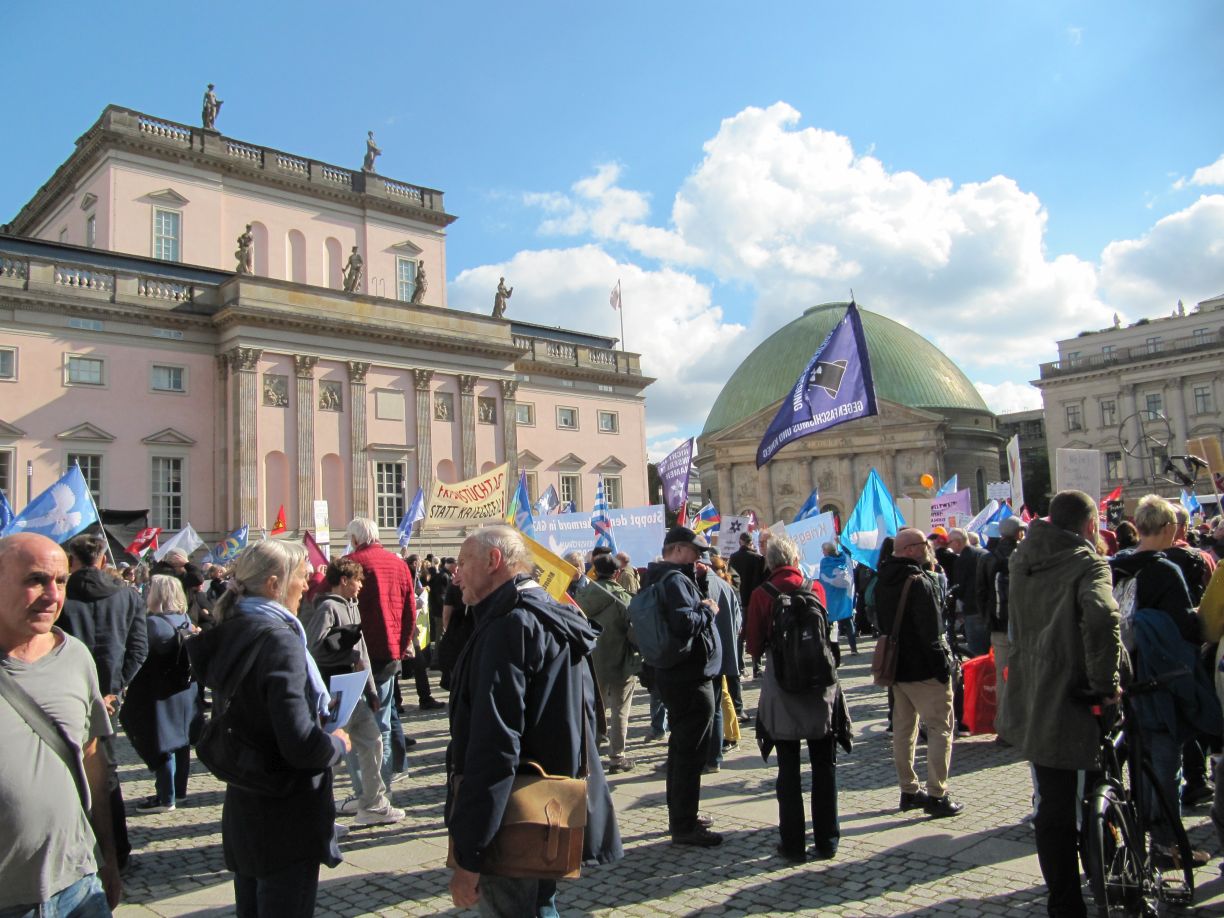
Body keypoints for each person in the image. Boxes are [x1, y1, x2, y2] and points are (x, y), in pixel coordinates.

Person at [446, 526, 621, 915]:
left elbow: (495, 743)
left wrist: (470, 851)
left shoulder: (511, 624)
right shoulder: (547, 610)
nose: (455, 574)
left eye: (462, 562)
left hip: (513, 817)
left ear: (493, 562)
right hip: (546, 809)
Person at [187, 539, 351, 917]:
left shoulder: (237, 625)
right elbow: (300, 746)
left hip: (246, 801)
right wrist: (336, 744)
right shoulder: (279, 638)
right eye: (303, 578)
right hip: (285, 811)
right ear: (275, 585)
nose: (309, 586)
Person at [997, 490, 1124, 918]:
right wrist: (1106, 682)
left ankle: (1064, 902)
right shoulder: (1088, 563)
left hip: (1034, 687)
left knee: (1051, 802)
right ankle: (1106, 874)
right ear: (1090, 525)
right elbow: (1104, 616)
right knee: (1097, 785)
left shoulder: (1021, 558)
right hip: (1075, 689)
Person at [0, 533, 122, 915]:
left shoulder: (76, 656)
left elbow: (92, 761)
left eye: (61, 581)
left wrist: (109, 858)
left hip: (78, 886)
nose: (53, 595)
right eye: (36, 580)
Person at [745, 534, 841, 862]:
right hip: (819, 683)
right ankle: (827, 840)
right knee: (823, 765)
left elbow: (754, 644)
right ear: (796, 559)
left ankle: (793, 843)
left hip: (782, 683)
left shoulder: (762, 594)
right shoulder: (814, 588)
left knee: (788, 768)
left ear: (769, 563)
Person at [59, 532, 148, 869]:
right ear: (102, 559)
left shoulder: (61, 595)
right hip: (109, 696)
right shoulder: (127, 595)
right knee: (106, 774)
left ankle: (73, 846)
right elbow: (139, 649)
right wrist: (116, 688)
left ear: (74, 559)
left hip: (67, 692)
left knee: (66, 769)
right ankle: (118, 850)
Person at [302, 558, 404, 827]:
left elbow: (364, 655)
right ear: (344, 580)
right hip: (334, 691)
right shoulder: (327, 608)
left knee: (372, 740)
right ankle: (318, 813)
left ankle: (373, 804)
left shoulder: (352, 608)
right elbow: (313, 650)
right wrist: (344, 651)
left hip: (352, 690)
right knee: (330, 755)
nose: (360, 585)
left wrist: (370, 690)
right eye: (357, 580)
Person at [643, 525, 724, 846]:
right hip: (689, 677)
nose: (699, 558)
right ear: (677, 550)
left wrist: (699, 583)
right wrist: (707, 609)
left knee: (680, 748)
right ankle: (684, 825)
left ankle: (680, 813)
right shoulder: (674, 579)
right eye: (694, 552)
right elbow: (685, 622)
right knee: (690, 753)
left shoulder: (663, 576)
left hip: (677, 674)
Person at [875, 528, 964, 818]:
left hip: (897, 669)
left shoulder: (882, 580)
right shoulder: (919, 581)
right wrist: (944, 668)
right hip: (924, 668)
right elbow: (932, 633)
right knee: (940, 729)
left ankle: (909, 790)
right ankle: (938, 793)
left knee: (903, 730)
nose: (929, 548)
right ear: (912, 549)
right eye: (924, 544)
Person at [345, 517, 415, 791]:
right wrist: (401, 645)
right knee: (383, 721)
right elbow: (410, 610)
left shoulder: (352, 565)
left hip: (357, 654)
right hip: (389, 652)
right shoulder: (398, 563)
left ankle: (365, 790)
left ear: (353, 539)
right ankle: (383, 787)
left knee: (355, 725)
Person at [120, 575, 201, 814]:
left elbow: (137, 655)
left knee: (160, 740)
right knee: (181, 739)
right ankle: (179, 791)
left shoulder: (152, 624)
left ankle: (166, 796)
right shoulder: (184, 619)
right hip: (183, 689)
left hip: (158, 690)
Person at [573, 553, 639, 773]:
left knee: (592, 708)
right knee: (620, 708)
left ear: (594, 570)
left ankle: (590, 752)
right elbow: (634, 632)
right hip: (620, 658)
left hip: (591, 661)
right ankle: (617, 757)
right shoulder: (623, 598)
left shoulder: (581, 596)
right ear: (617, 573)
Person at [977, 517, 1026, 704]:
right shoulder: (1026, 555)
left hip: (999, 625)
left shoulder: (988, 557)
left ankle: (1005, 723)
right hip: (1026, 624)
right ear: (1019, 532)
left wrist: (987, 620)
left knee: (1003, 674)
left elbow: (980, 591)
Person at [947, 527, 990, 656]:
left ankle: (981, 676)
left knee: (977, 652)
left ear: (957, 542)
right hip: (988, 607)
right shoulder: (984, 553)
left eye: (950, 542)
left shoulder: (962, 560)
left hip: (973, 608)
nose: (949, 546)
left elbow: (960, 586)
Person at [818, 542, 857, 656]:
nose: (822, 552)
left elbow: (823, 578)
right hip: (845, 596)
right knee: (848, 621)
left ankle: (831, 649)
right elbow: (848, 552)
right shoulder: (845, 558)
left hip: (831, 597)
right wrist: (840, 542)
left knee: (830, 624)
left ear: (826, 551)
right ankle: (853, 648)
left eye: (823, 550)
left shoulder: (824, 562)